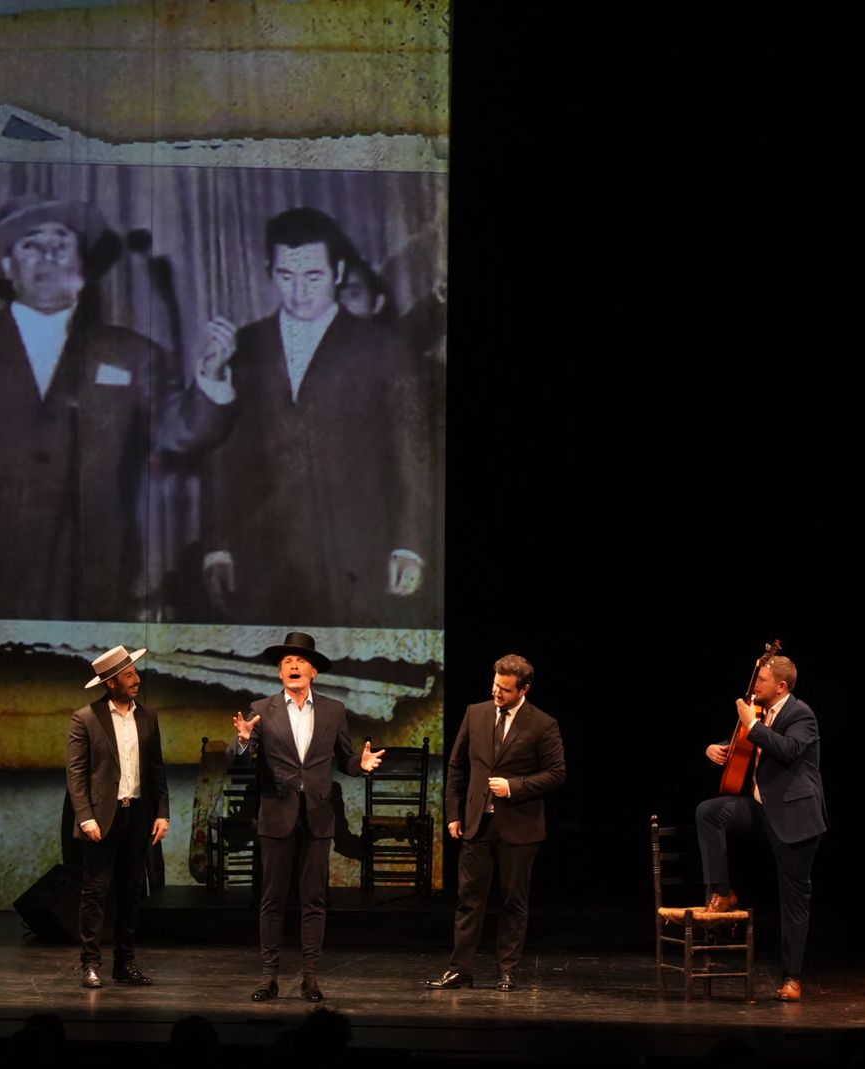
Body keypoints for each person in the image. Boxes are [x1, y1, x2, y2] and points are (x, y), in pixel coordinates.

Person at [0, 193, 234, 621]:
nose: (48, 255)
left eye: (63, 243)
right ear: (6, 267)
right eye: (30, 243)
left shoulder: (132, 353)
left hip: (88, 582)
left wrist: (211, 377)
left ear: (83, 267)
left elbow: (180, 431)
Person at [201, 207, 433, 627]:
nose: (299, 293)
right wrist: (218, 546)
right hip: (264, 562)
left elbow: (411, 451)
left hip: (360, 556)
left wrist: (409, 544)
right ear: (270, 272)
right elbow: (225, 458)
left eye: (313, 277)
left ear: (338, 271)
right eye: (286, 277)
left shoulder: (383, 346)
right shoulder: (247, 345)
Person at [229, 631, 384, 1002]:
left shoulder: (333, 710)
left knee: (313, 898)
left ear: (313, 671)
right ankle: (269, 977)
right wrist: (244, 741)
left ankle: (310, 977)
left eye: (300, 661)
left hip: (317, 813)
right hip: (276, 812)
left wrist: (360, 765)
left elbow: (345, 759)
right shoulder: (261, 709)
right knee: (272, 899)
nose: (293, 666)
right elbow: (237, 763)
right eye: (286, 662)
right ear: (280, 672)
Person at [427, 654, 565, 993]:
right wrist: (454, 814)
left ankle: (507, 971)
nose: (497, 692)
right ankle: (460, 970)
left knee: (513, 902)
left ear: (524, 689)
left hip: (519, 827)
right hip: (477, 823)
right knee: (468, 899)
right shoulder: (476, 713)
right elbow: (457, 766)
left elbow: (557, 773)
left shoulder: (542, 724)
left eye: (504, 688)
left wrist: (514, 787)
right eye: (495, 685)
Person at [696, 654, 826, 1004]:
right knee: (709, 812)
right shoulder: (756, 713)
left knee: (793, 902)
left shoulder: (802, 714)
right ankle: (723, 891)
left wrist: (752, 727)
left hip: (796, 818)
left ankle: (792, 978)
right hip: (759, 810)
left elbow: (787, 749)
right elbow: (742, 747)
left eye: (762, 680)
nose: (755, 685)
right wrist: (716, 748)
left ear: (781, 686)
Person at [66, 644, 170, 989]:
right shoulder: (86, 718)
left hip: (137, 815)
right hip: (101, 818)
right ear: (111, 683)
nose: (136, 679)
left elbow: (157, 772)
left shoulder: (148, 717)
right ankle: (91, 963)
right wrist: (85, 817)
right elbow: (77, 774)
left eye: (135, 672)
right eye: (128, 675)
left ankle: (124, 964)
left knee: (131, 891)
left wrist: (162, 814)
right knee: (95, 892)